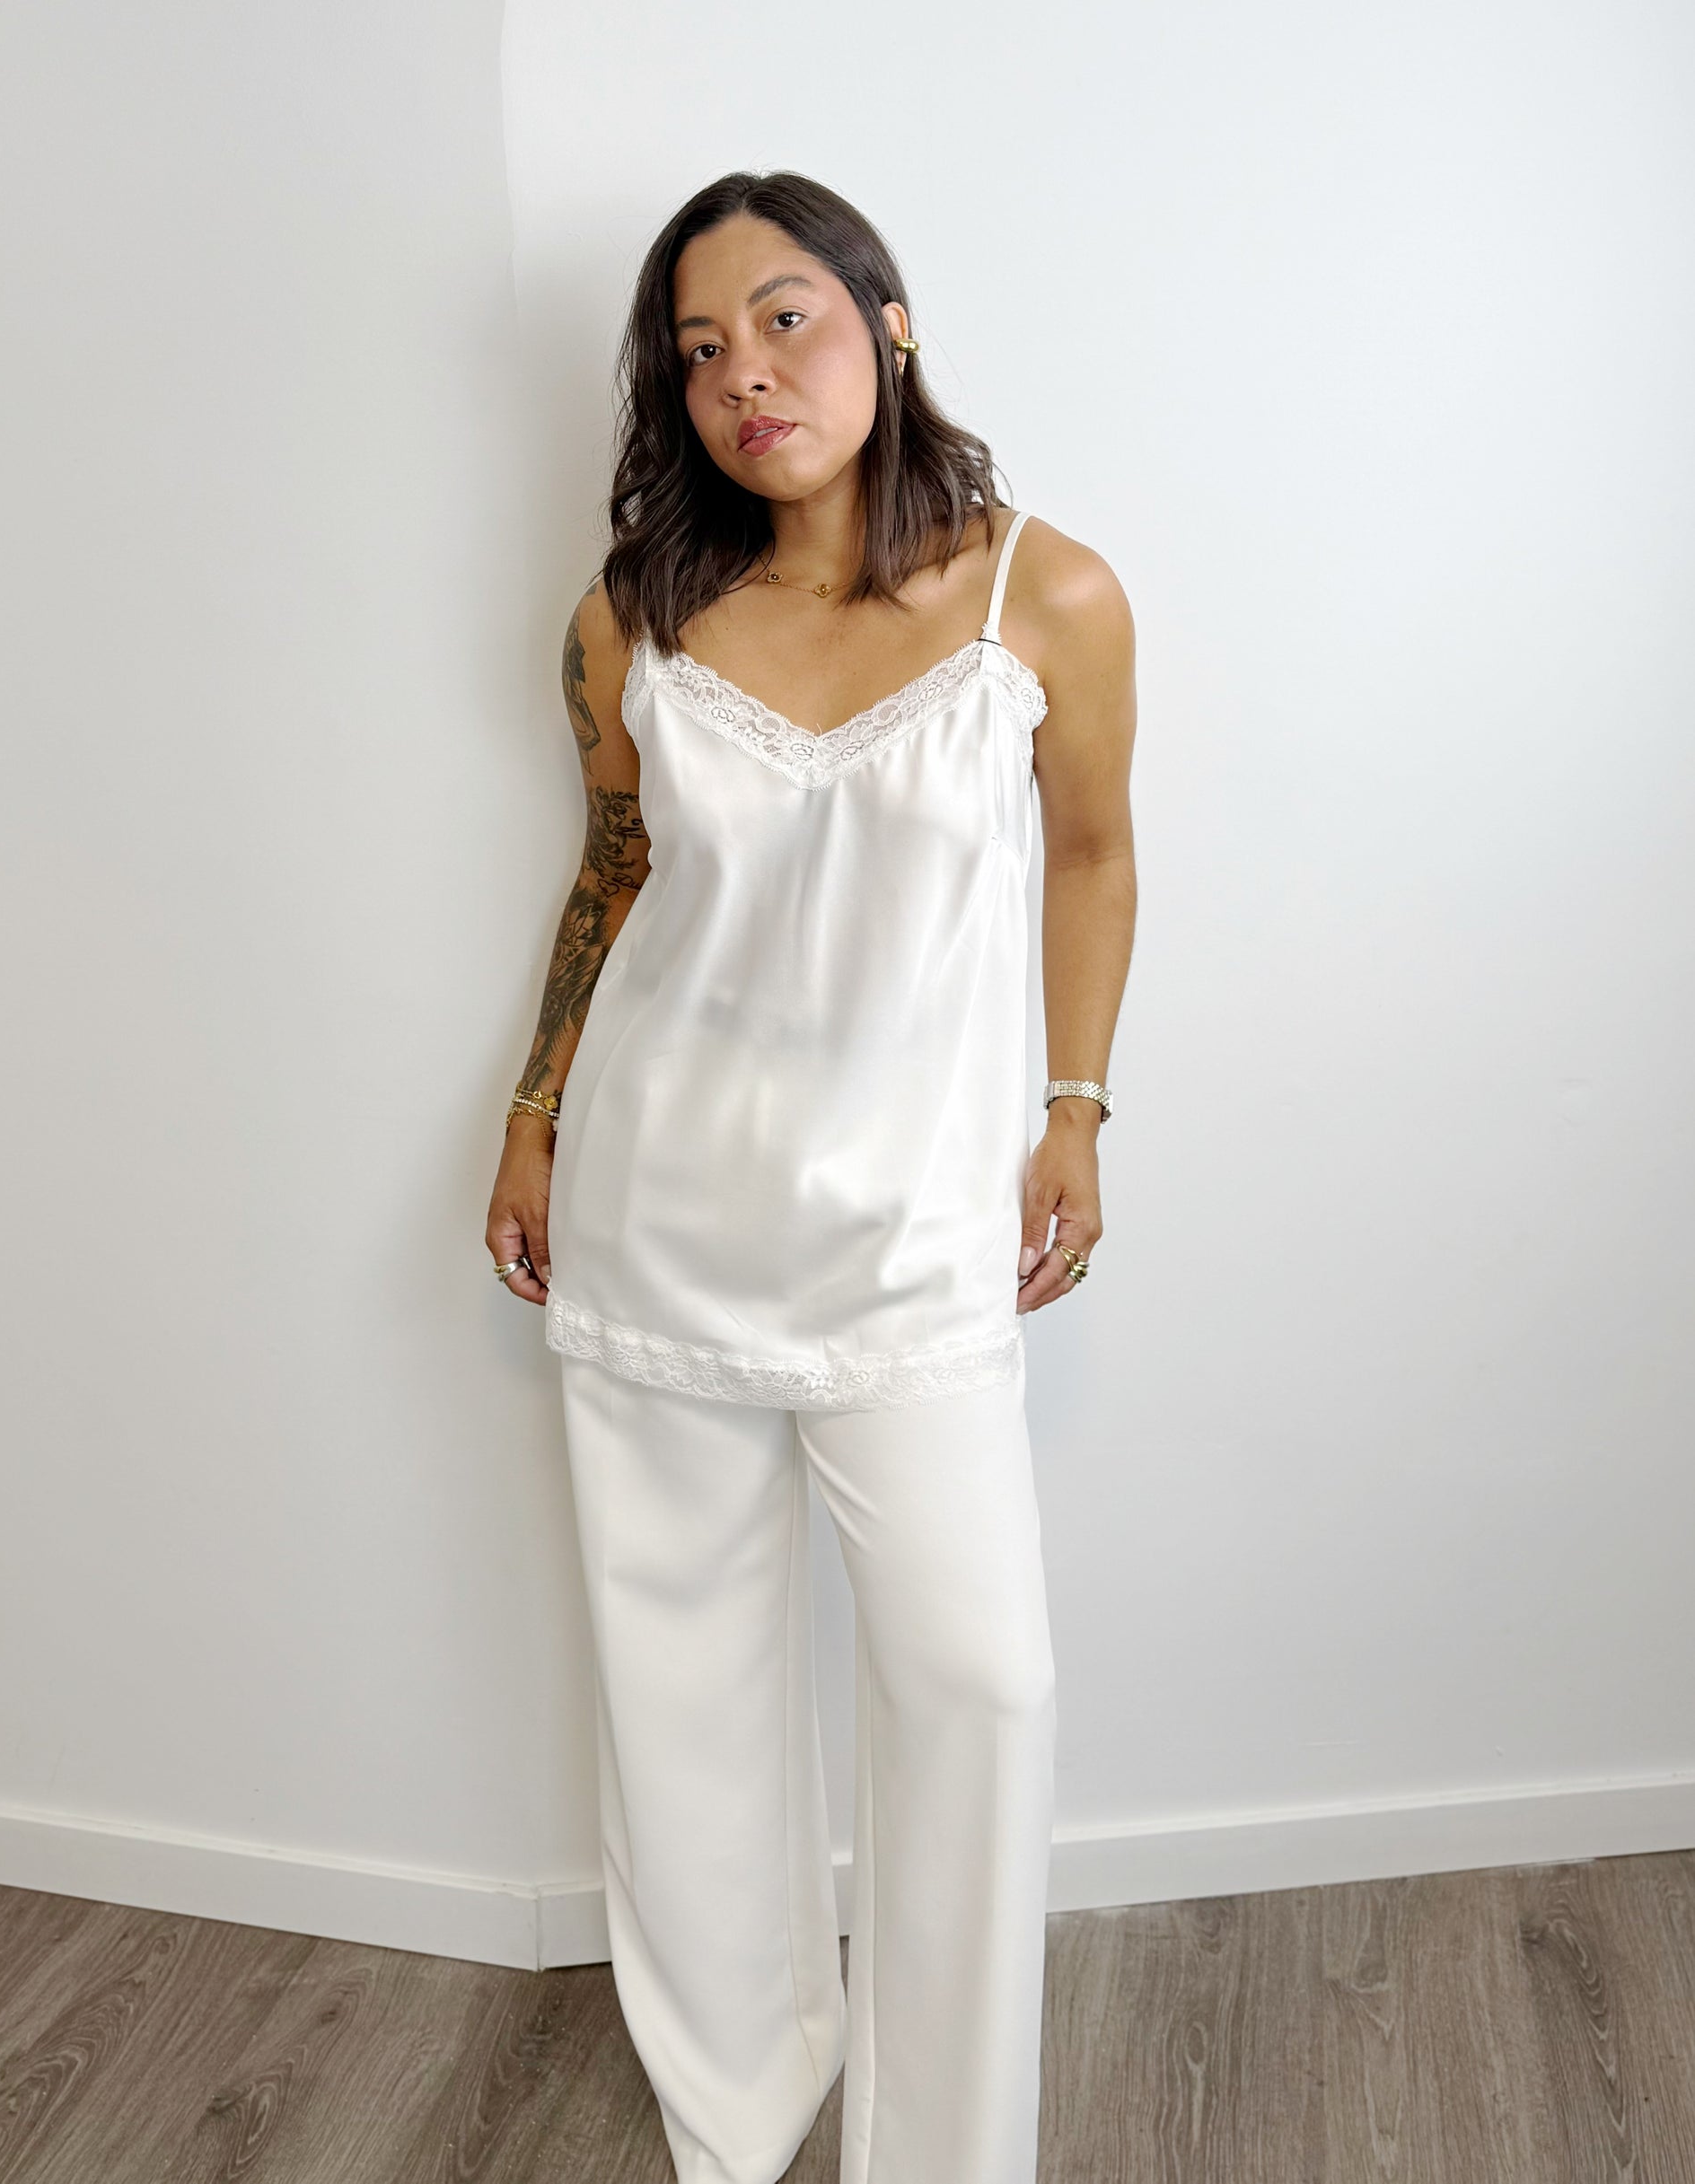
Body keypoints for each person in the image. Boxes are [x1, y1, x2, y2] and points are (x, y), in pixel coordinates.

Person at [486, 170, 1137, 2184]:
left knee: (979, 1683)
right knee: (682, 1697)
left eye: (785, 318)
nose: (745, 375)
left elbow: (1094, 852)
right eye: (699, 349)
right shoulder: (631, 617)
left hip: (914, 1238)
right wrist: (532, 1111)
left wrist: (1074, 1107)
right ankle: (733, 2109)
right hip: (658, 1209)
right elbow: (611, 873)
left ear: (887, 320)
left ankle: (942, 2151)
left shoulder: (1045, 593)